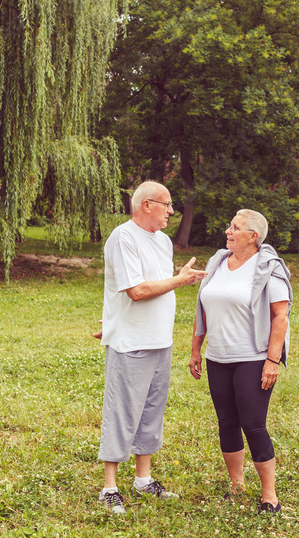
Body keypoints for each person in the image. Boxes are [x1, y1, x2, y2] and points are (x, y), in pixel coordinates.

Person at [96, 180, 206, 514]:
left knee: (150, 412)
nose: (171, 211)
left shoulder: (163, 242)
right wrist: (180, 280)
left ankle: (143, 480)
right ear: (147, 205)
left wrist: (175, 278)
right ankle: (109, 488)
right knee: (122, 411)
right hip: (131, 341)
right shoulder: (123, 237)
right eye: (167, 204)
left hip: (161, 340)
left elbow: (155, 283)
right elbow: (136, 290)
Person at [188, 209, 292, 514]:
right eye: (229, 226)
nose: (228, 232)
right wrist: (196, 349)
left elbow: (280, 316)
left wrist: (272, 361)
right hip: (217, 357)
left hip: (253, 358)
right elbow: (202, 308)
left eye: (235, 228)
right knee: (227, 422)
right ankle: (236, 484)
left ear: (252, 236)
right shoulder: (218, 262)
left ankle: (269, 495)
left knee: (253, 424)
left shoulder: (268, 268)